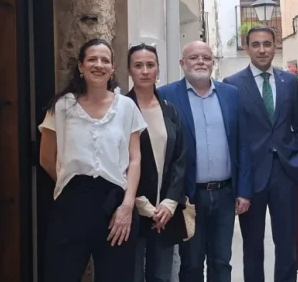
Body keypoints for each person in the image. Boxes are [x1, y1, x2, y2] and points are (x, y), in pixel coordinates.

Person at [38, 38, 146, 282]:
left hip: (116, 203)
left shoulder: (126, 106)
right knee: (60, 275)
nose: (99, 65)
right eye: (92, 59)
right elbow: (45, 158)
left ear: (112, 68)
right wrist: (69, 186)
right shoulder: (62, 106)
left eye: (105, 60)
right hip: (72, 202)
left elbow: (135, 159)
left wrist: (127, 206)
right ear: (80, 66)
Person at [158, 41, 252, 282]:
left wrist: (243, 191)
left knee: (221, 261)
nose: (200, 62)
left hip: (225, 194)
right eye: (193, 58)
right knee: (191, 263)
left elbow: (242, 144)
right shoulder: (167, 95)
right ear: (182, 63)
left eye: (206, 57)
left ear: (213, 62)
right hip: (189, 196)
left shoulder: (231, 94)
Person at [223, 26, 298, 282]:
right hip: (251, 175)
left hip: (285, 172)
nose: (262, 50)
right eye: (256, 44)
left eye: (267, 44)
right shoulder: (233, 85)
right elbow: (232, 135)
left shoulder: (289, 82)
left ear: (275, 46)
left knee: (287, 242)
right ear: (247, 47)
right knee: (252, 245)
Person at [126, 43, 188, 282]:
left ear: (158, 69)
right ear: (129, 70)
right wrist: (143, 204)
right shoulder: (121, 109)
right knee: (132, 274)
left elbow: (180, 158)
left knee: (162, 275)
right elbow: (119, 160)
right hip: (132, 208)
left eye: (150, 65)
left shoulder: (169, 110)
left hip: (166, 211)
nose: (144, 71)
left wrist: (170, 202)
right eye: (138, 65)